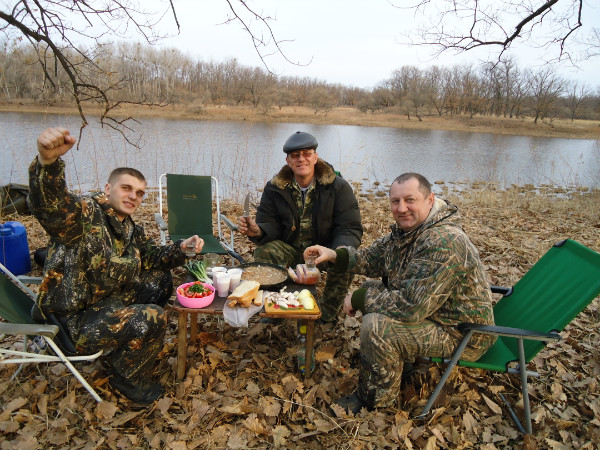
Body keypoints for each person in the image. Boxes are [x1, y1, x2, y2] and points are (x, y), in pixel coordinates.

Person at [28, 127, 204, 404]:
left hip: (104, 303)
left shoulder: (129, 227)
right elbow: (52, 208)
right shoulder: (84, 215)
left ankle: (125, 348)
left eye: (140, 193)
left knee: (160, 280)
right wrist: (47, 164)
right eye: (126, 188)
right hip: (68, 322)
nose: (134, 196)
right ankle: (126, 376)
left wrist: (181, 249)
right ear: (108, 188)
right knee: (153, 317)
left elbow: (152, 256)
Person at [305, 172, 495, 414]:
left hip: (463, 334)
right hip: (437, 316)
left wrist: (359, 299)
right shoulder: (411, 231)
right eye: (395, 201)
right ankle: (398, 364)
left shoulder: (444, 240)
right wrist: (333, 254)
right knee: (372, 289)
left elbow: (411, 307)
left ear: (430, 199)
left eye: (410, 200)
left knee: (377, 326)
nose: (402, 208)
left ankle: (375, 400)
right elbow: (370, 259)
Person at [237, 131, 363, 322]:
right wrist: (258, 230)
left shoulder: (338, 187)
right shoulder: (275, 187)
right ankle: (275, 305)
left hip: (324, 252)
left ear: (315, 157)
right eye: (295, 155)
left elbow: (349, 228)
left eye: (306, 154)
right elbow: (269, 222)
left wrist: (335, 252)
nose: (301, 159)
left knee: (346, 257)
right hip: (291, 249)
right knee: (265, 251)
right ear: (288, 160)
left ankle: (325, 315)